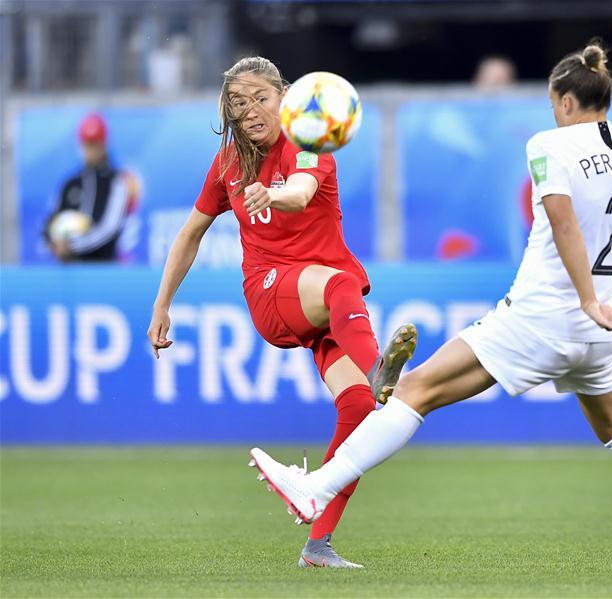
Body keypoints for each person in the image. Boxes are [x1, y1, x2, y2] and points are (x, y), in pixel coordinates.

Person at [250, 40, 612, 574]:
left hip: (543, 315)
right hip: (598, 328)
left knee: (414, 390)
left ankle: (316, 489)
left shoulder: (548, 144)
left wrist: (585, 298)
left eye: (553, 102)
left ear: (565, 101)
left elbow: (564, 222)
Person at [147, 56, 417, 569]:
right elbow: (189, 234)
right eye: (237, 102)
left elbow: (301, 191)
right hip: (274, 294)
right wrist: (162, 304)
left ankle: (318, 545)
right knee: (339, 284)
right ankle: (380, 367)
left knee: (359, 410)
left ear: (285, 97)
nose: (248, 110)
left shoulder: (310, 145)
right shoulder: (228, 162)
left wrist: (271, 193)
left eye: (260, 98)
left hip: (321, 308)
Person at [44, 113, 139, 262]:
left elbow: (109, 228)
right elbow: (52, 220)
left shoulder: (116, 182)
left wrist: (72, 246)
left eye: (95, 143)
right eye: (87, 144)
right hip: (68, 269)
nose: (91, 150)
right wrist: (53, 241)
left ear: (104, 144)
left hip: (102, 268)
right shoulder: (70, 183)